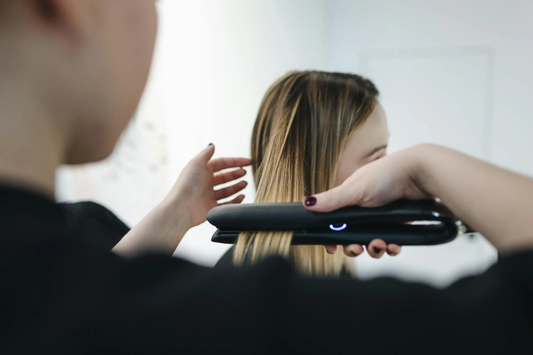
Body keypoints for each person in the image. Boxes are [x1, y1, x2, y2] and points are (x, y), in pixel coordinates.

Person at [0, 1, 532, 354]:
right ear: (68, 8)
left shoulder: (64, 273)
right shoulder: (258, 314)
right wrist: (427, 162)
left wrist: (173, 216)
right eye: (378, 159)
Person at [222, 70, 402, 276]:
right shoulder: (250, 281)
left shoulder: (335, 264)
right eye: (377, 157)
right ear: (320, 167)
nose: (391, 172)